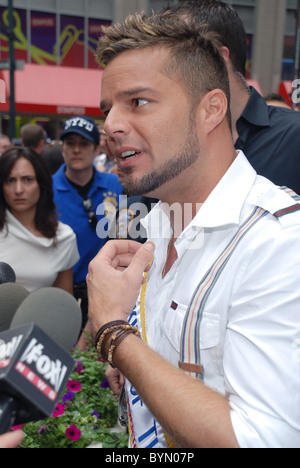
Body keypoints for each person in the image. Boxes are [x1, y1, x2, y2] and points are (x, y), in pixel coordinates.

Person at [87, 12, 300, 448]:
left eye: (138, 102)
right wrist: (139, 360)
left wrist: (115, 335)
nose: (110, 125)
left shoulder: (280, 242)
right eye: (107, 109)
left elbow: (260, 439)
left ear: (211, 109)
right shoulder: (163, 222)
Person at [161, 0, 300, 195]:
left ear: (218, 56)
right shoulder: (170, 145)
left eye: (177, 54)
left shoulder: (293, 137)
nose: (164, 69)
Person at [52, 116, 123, 329]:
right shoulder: (46, 189)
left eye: (83, 144)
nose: (76, 150)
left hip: (108, 293)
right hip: (62, 294)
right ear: (62, 148)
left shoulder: (116, 186)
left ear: (96, 149)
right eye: (70, 143)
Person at [0, 147, 79, 293]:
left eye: (27, 180)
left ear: (41, 184)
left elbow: (62, 303)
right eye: (10, 180)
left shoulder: (63, 237)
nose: (18, 190)